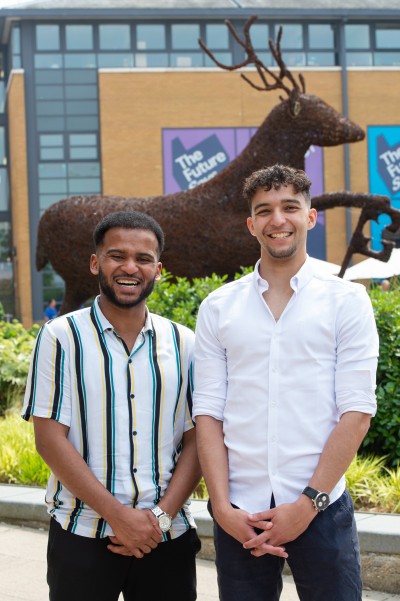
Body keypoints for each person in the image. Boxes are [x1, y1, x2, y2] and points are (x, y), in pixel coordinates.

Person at [193, 164, 379, 601]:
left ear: (310, 217)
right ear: (251, 224)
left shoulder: (347, 300)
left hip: (322, 508)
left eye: (289, 207)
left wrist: (307, 503)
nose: (278, 220)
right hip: (241, 512)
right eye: (265, 210)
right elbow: (207, 414)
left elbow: (357, 413)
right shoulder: (218, 307)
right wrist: (221, 508)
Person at [22, 211, 202, 601]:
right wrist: (119, 516)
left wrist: (158, 517)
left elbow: (197, 440)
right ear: (95, 263)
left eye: (143, 258)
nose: (129, 267)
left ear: (158, 269)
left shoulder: (184, 343)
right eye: (116, 255)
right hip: (82, 533)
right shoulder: (59, 337)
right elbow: (49, 439)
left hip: (166, 537)